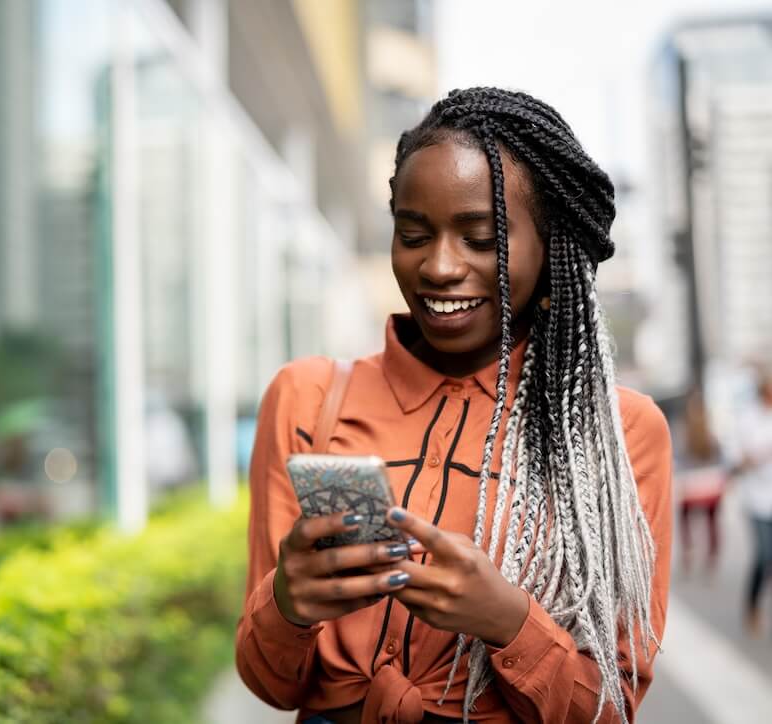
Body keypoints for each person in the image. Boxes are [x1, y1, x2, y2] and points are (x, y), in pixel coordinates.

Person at [236, 88, 672, 724]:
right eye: (413, 234)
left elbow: (610, 709)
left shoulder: (617, 432)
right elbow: (269, 683)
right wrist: (289, 604)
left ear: (550, 247)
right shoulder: (305, 398)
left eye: (479, 238)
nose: (439, 266)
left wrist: (509, 623)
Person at [731, 371, 772, 636]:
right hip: (756, 499)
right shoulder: (747, 417)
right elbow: (735, 457)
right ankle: (752, 605)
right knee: (764, 556)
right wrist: (751, 458)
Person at [673, 389, 727, 576]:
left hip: (691, 484)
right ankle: (711, 555)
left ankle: (689, 551)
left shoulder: (685, 431)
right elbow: (720, 456)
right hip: (709, 483)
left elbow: (678, 459)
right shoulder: (710, 431)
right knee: (711, 521)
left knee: (686, 518)